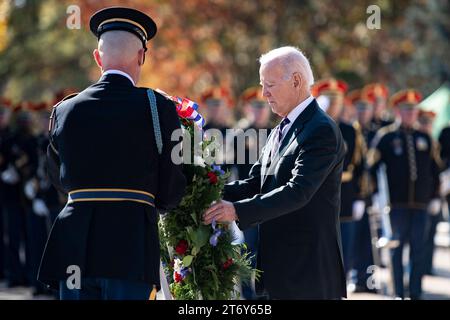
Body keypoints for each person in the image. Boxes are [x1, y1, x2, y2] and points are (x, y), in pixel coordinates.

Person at [38, 7, 186, 300]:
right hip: (130, 247)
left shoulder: (64, 109)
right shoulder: (158, 107)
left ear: (97, 58)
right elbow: (172, 184)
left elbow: (56, 176)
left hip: (75, 247)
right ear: (142, 56)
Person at [203, 46, 347, 299]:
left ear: (296, 81)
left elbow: (298, 191)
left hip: (308, 272)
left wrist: (236, 211)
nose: (264, 93)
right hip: (280, 268)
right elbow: (256, 183)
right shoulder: (281, 129)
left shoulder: (320, 129)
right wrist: (205, 189)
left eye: (269, 84)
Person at [367, 89, 441, 299]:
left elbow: (434, 171)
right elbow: (372, 167)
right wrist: (373, 194)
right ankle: (398, 291)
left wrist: (435, 197)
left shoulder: (425, 138)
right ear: (398, 111)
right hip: (396, 205)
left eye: (413, 110)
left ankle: (415, 291)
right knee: (396, 250)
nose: (410, 114)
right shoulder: (387, 137)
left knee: (418, 249)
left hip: (421, 205)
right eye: (406, 110)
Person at [312, 81, 365, 280]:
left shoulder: (351, 130)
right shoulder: (313, 129)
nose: (334, 104)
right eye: (329, 99)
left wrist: (360, 196)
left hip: (346, 195)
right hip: (319, 196)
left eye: (337, 99)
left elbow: (360, 166)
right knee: (322, 252)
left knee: (346, 252)